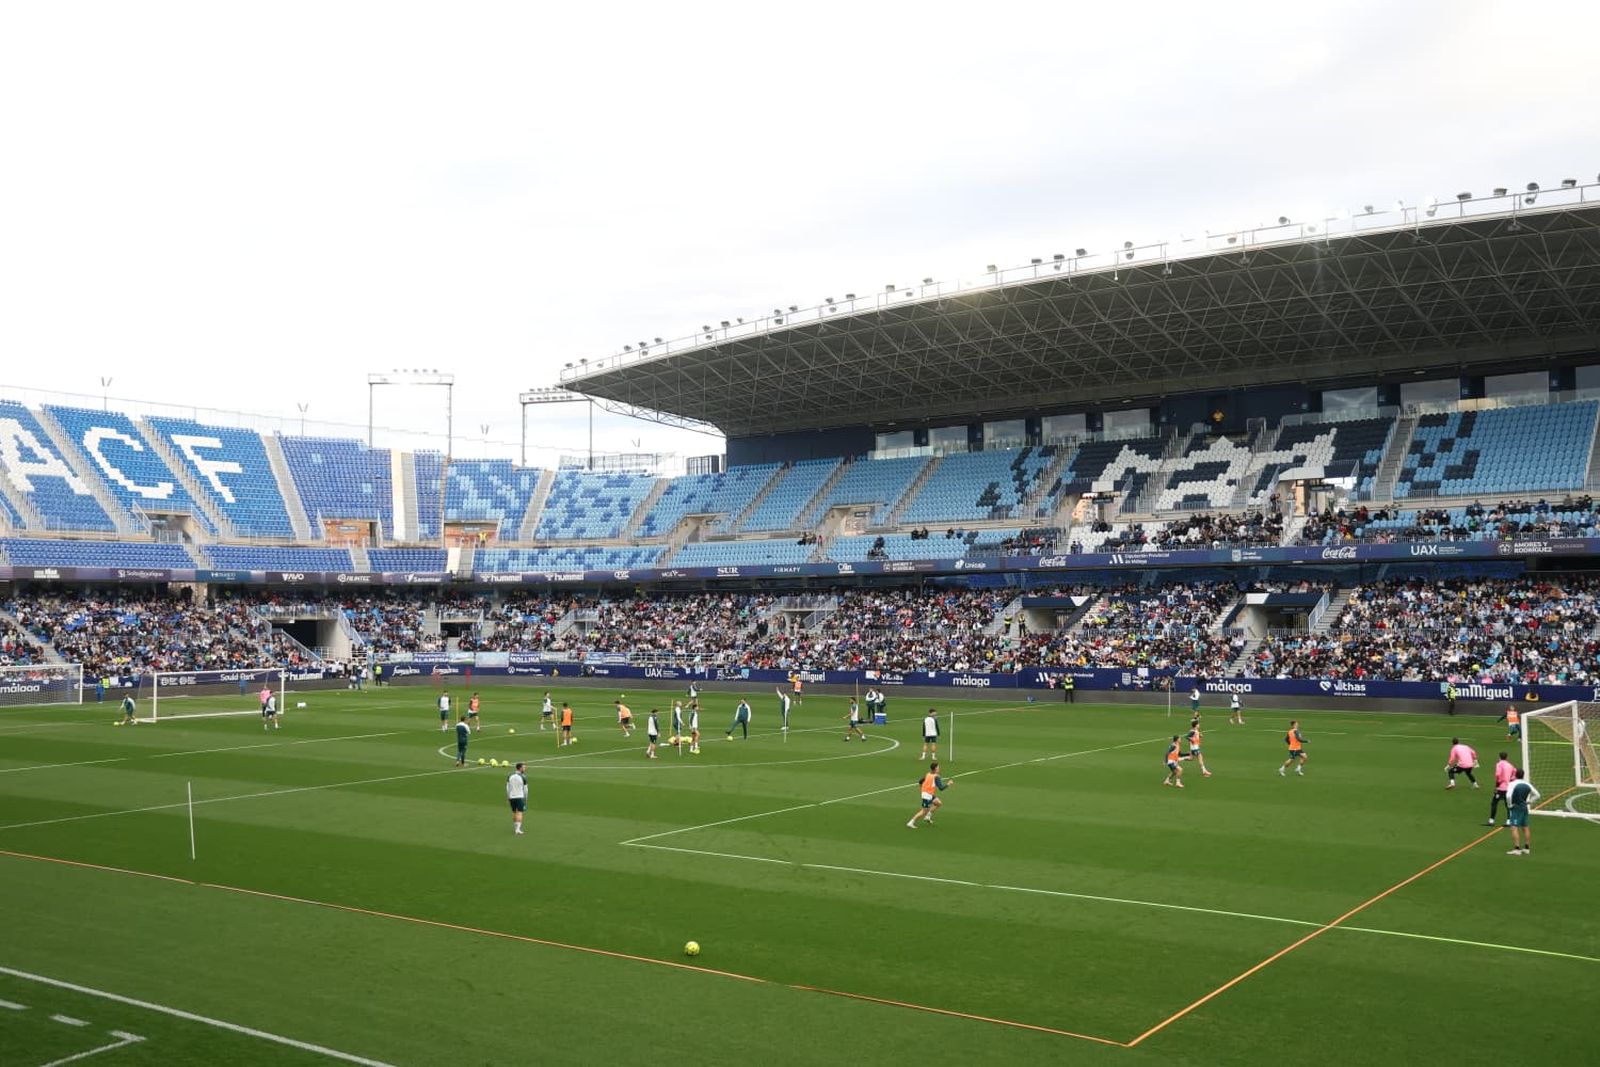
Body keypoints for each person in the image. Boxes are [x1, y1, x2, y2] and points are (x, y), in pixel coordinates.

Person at [1505, 769, 1541, 855]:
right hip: (1524, 807)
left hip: (1516, 807)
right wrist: (1529, 802)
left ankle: (1517, 849)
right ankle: (1527, 848)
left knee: (1514, 827)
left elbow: (1508, 795)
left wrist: (1509, 805)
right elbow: (1537, 795)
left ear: (1515, 775)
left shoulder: (1512, 784)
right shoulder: (1527, 784)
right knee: (1525, 827)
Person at [907, 761, 950, 827]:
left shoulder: (928, 774)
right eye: (938, 767)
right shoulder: (936, 777)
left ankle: (927, 817)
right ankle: (911, 822)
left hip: (928, 793)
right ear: (935, 768)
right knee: (924, 811)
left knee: (938, 803)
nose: (939, 768)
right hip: (927, 795)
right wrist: (948, 784)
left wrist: (922, 788)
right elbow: (941, 788)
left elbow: (920, 781)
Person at [1489, 751, 1517, 826]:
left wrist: (1497, 782)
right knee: (1508, 804)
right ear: (1506, 757)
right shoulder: (1510, 765)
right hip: (1508, 788)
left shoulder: (1499, 764)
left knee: (1494, 803)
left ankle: (1491, 820)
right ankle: (1508, 821)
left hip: (1501, 788)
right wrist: (1511, 779)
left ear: (1499, 757)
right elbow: (1515, 772)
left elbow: (1498, 774)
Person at [506, 761, 528, 835]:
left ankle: (516, 828)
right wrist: (526, 798)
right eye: (524, 767)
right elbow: (525, 790)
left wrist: (508, 796)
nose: (525, 768)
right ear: (520, 768)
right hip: (520, 797)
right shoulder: (523, 777)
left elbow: (507, 787)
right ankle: (518, 830)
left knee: (514, 812)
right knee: (520, 813)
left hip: (512, 797)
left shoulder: (510, 776)